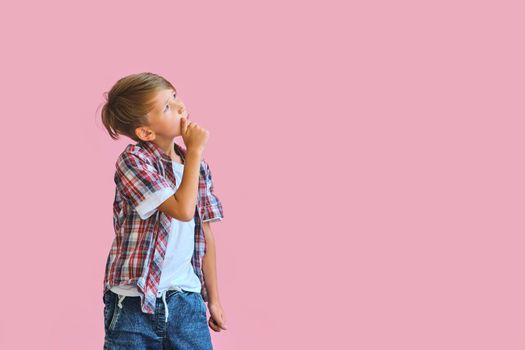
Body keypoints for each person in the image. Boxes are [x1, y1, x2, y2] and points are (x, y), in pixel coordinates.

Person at [99, 72, 227, 349]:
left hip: (186, 300)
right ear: (146, 132)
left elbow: (205, 235)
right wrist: (194, 152)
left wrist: (213, 300)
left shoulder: (198, 168)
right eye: (167, 107)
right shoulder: (134, 161)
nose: (180, 107)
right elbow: (181, 210)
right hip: (133, 303)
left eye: (175, 96)